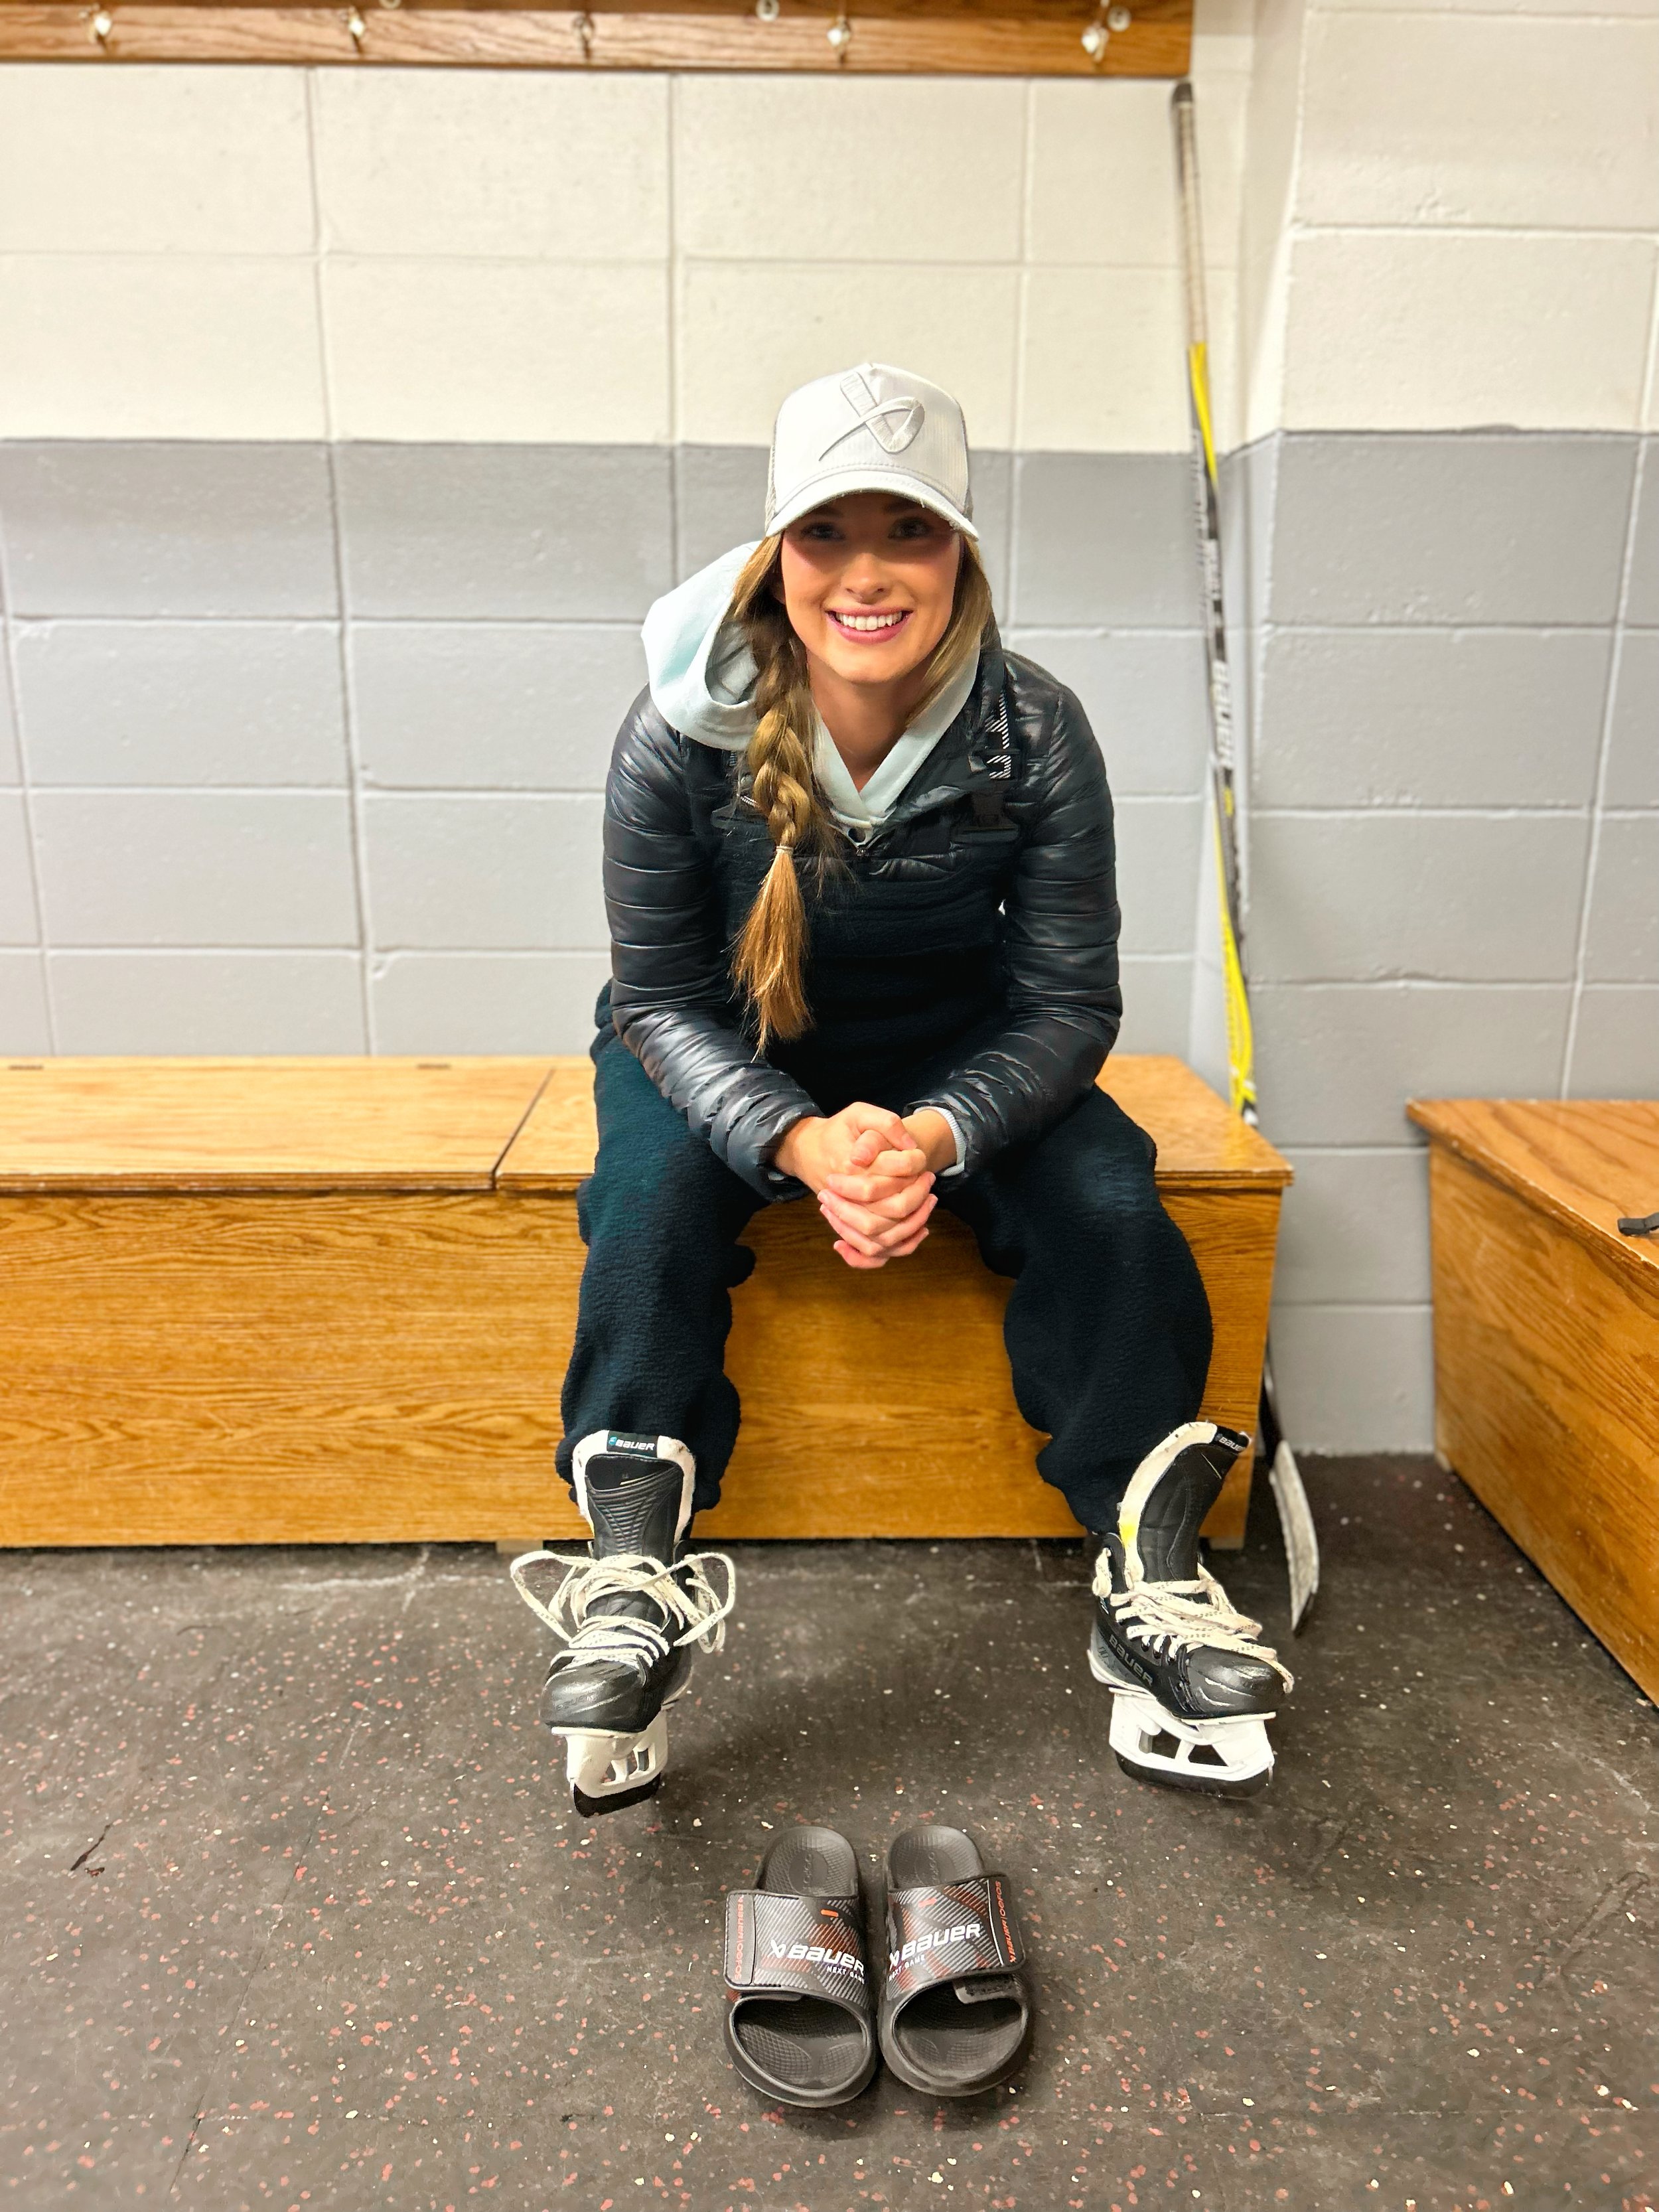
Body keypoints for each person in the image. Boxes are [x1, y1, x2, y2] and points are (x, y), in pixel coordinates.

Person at [510, 362, 1291, 1816]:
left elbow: (1067, 1006)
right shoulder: (672, 732)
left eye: (907, 532)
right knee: (648, 1200)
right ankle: (628, 1571)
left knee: (1113, 1200)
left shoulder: (1035, 730)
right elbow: (661, 1000)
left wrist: (929, 1137)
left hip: (961, 1053)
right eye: (826, 534)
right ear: (775, 555)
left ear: (962, 555)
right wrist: (798, 1139)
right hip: (722, 1048)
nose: (865, 575)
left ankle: (1150, 1573)